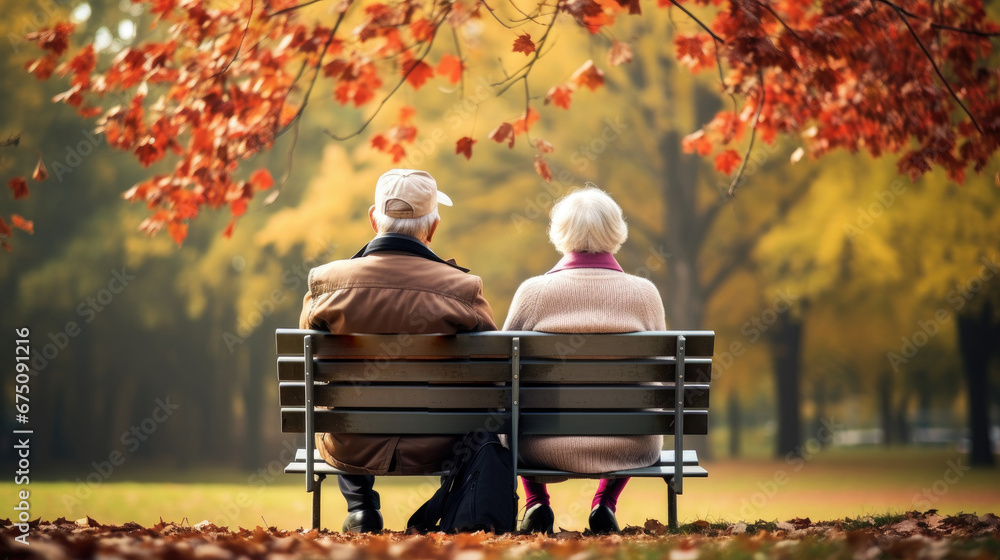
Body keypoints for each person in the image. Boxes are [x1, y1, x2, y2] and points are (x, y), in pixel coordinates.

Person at [299, 169, 497, 533]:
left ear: (374, 220)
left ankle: (360, 508)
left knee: (338, 402)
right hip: (440, 441)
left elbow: (309, 358)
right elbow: (494, 368)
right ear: (432, 228)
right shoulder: (463, 289)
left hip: (350, 442)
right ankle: (449, 506)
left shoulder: (326, 284)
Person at [503, 186, 667, 534]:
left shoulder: (533, 293)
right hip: (630, 443)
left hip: (539, 445)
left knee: (513, 408)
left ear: (560, 234)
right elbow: (661, 377)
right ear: (616, 232)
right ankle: (605, 502)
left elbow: (501, 372)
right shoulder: (644, 294)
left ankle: (536, 503)